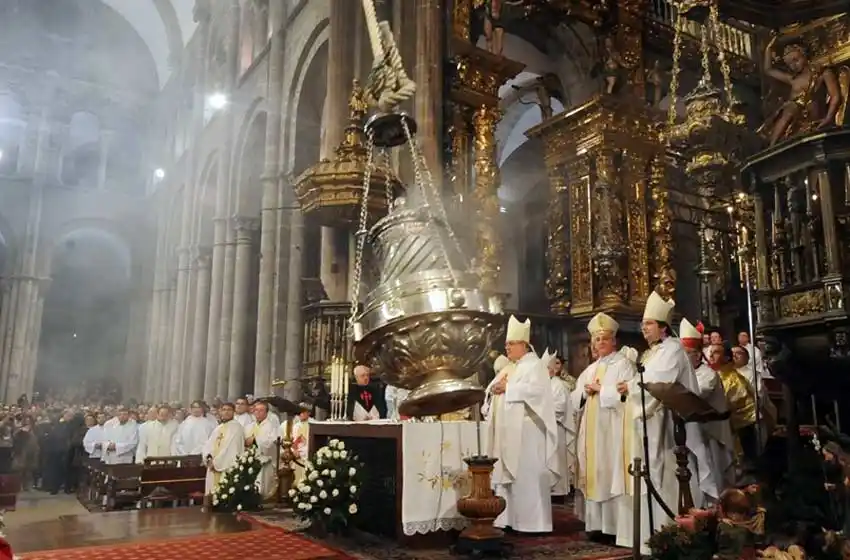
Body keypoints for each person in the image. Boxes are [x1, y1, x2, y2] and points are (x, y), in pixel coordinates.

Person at [615, 292, 718, 553]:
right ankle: (652, 536)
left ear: (662, 328)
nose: (643, 328)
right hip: (652, 423)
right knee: (650, 475)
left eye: (648, 323)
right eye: (643, 323)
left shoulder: (672, 349)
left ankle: (668, 534)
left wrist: (629, 385)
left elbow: (659, 381)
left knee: (667, 476)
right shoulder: (653, 352)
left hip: (668, 428)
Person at [491, 315, 560, 533]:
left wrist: (508, 389)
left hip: (528, 431)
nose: (507, 347)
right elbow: (492, 389)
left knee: (526, 478)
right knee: (509, 477)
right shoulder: (510, 367)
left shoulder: (535, 366)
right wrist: (493, 391)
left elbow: (539, 393)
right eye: (506, 344)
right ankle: (508, 519)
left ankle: (533, 523)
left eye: (510, 344)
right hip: (508, 430)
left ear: (524, 344)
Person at [570, 313, 635, 539]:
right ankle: (595, 525)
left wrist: (601, 391)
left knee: (609, 472)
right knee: (593, 471)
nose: (600, 344)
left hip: (612, 430)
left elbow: (627, 396)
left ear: (614, 341)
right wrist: (583, 393)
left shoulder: (624, 365)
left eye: (604, 339)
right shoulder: (590, 369)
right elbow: (574, 400)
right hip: (591, 431)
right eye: (596, 340)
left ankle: (612, 527)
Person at [681, 318, 735, 491]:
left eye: (686, 353)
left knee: (713, 472)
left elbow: (695, 396)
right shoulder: (687, 374)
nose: (682, 359)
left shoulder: (708, 374)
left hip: (712, 432)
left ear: (697, 355)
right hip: (694, 429)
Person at [202, 403, 244, 497]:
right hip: (213, 465)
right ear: (220, 411)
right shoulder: (218, 428)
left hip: (226, 466)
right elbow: (208, 444)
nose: (226, 412)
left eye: (229, 410)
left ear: (234, 412)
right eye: (224, 409)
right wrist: (208, 457)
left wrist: (216, 462)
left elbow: (230, 449)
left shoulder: (237, 428)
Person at [549, 352, 574, 498]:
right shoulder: (547, 383)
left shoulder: (559, 385)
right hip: (547, 428)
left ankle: (559, 493)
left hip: (556, 427)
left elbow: (560, 408)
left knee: (557, 461)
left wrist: (542, 410)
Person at [246, 401, 278, 500]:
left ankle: (261, 500)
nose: (258, 413)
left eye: (261, 410)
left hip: (265, 460)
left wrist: (255, 440)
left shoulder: (271, 426)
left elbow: (272, 443)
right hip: (249, 459)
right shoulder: (249, 426)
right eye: (256, 410)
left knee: (262, 485)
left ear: (266, 413)